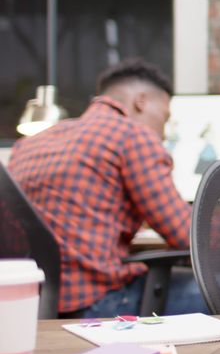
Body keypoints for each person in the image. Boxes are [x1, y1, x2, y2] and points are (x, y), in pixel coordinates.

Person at [9, 58, 208, 317]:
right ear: (141, 101)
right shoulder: (132, 136)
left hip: (31, 306)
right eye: (165, 117)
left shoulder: (29, 144)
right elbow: (187, 234)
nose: (163, 133)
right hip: (96, 304)